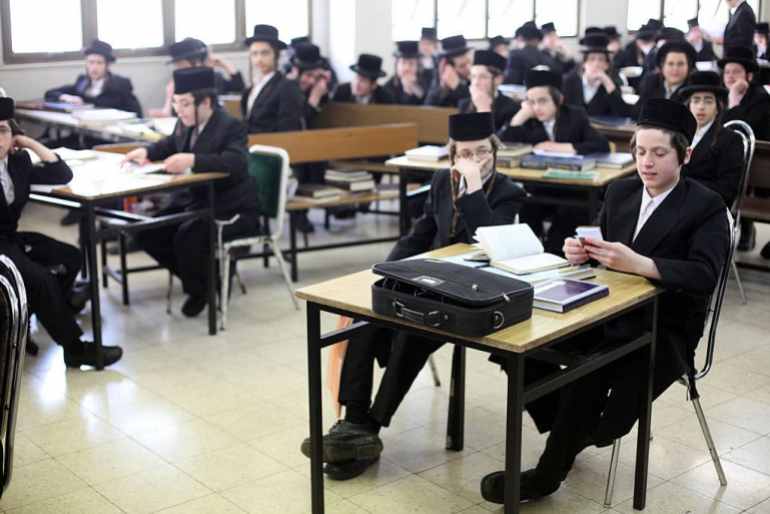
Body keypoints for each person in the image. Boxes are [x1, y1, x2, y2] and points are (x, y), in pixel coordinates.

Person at [480, 98, 730, 504]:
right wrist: (581, 253)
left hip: (666, 326)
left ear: (686, 155)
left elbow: (704, 274)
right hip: (608, 310)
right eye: (640, 151)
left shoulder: (705, 205)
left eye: (659, 153)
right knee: (519, 348)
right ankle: (568, 433)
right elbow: (606, 258)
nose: (646, 162)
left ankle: (548, 473)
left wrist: (642, 263)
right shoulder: (621, 191)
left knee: (589, 372)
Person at [298, 112, 526, 480]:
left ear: (495, 152)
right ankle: (353, 421)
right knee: (366, 320)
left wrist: (473, 188)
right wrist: (382, 272)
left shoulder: (508, 191)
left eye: (482, 152)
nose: (474, 160)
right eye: (465, 154)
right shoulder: (440, 180)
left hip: (471, 293)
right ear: (452, 154)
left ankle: (369, 429)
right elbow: (419, 236)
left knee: (411, 333)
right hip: (427, 281)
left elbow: (493, 238)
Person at [124, 68, 259, 318]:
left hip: (231, 207)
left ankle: (199, 290)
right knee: (146, 232)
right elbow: (169, 143)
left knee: (187, 236)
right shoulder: (185, 122)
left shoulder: (231, 126)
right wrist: (147, 152)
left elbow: (235, 162)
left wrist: (193, 159)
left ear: (206, 102)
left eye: (185, 104)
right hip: (196, 202)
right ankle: (207, 283)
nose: (179, 110)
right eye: (176, 103)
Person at [0, 97, 123, 368]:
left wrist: (31, 143)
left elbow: (61, 174)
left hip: (11, 239)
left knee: (70, 257)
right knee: (41, 279)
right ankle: (75, 348)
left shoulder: (17, 162)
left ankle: (41, 312)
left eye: (3, 131)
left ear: (13, 134)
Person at [500, 69, 610, 253]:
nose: (537, 108)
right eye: (531, 102)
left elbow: (602, 145)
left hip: (573, 190)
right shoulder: (528, 120)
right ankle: (530, 255)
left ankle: (556, 253)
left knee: (563, 225)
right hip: (540, 188)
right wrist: (519, 117)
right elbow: (503, 145)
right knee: (526, 209)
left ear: (558, 100)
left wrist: (568, 147)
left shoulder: (575, 116)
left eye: (542, 101)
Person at [719, 46, 770, 251]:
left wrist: (733, 101)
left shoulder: (760, 98)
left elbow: (736, 133)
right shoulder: (720, 94)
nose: (730, 76)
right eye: (727, 72)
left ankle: (746, 228)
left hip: (760, 161)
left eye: (736, 72)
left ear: (748, 75)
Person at [678, 71, 744, 207]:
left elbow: (727, 190)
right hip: (675, 203)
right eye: (696, 100)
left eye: (708, 101)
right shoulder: (678, 135)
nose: (701, 107)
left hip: (707, 207)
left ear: (717, 107)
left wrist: (682, 186)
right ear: (689, 105)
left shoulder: (731, 140)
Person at [291, 43, 333, 234]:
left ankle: (310, 207)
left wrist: (320, 91)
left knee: (318, 158)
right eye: (307, 76)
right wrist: (314, 97)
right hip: (288, 143)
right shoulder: (289, 88)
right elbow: (300, 117)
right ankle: (299, 213)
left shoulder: (316, 88)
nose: (310, 81)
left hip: (307, 144)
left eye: (315, 77)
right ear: (297, 72)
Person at [150, 37, 245, 117]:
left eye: (181, 64)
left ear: (196, 62)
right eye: (177, 65)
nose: (178, 69)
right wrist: (168, 101)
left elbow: (238, 87)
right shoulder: (178, 83)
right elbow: (173, 112)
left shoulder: (214, 78)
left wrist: (225, 64)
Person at [45, 39, 142, 116]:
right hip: (82, 131)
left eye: (99, 63)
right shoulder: (82, 81)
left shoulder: (121, 84)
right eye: (91, 62)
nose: (94, 67)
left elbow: (137, 114)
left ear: (107, 65)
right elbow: (50, 93)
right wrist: (67, 97)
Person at [241, 24, 305, 133]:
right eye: (254, 54)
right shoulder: (250, 89)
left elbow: (289, 128)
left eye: (265, 53)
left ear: (276, 55)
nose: (259, 59)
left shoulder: (287, 86)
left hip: (274, 146)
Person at [562, 33, 631, 117]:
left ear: (607, 65)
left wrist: (607, 83)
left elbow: (623, 113)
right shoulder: (569, 81)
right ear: (584, 63)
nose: (596, 64)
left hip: (602, 130)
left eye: (601, 59)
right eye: (592, 59)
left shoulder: (611, 84)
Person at [458, 50, 520, 131]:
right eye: (473, 76)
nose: (476, 82)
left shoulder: (511, 108)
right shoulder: (464, 104)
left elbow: (496, 141)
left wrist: (483, 109)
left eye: (483, 77)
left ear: (498, 79)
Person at [636, 39, 695, 112]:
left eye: (680, 64)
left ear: (689, 67)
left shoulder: (693, 88)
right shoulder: (650, 82)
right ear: (662, 66)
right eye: (670, 64)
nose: (675, 69)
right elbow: (637, 111)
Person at [425, 35, 472, 107]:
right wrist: (442, 89)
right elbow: (427, 110)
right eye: (462, 66)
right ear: (448, 67)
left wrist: (458, 87)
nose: (469, 68)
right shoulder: (438, 81)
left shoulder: (476, 79)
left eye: (469, 62)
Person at [613, 20, 659, 91]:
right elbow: (616, 69)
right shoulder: (627, 52)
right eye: (643, 42)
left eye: (649, 42)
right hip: (629, 85)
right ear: (637, 41)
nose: (646, 45)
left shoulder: (654, 53)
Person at [383, 41, 429, 105]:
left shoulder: (427, 82)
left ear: (417, 66)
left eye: (411, 64)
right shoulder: (388, 87)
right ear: (397, 65)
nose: (407, 68)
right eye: (403, 63)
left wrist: (413, 88)